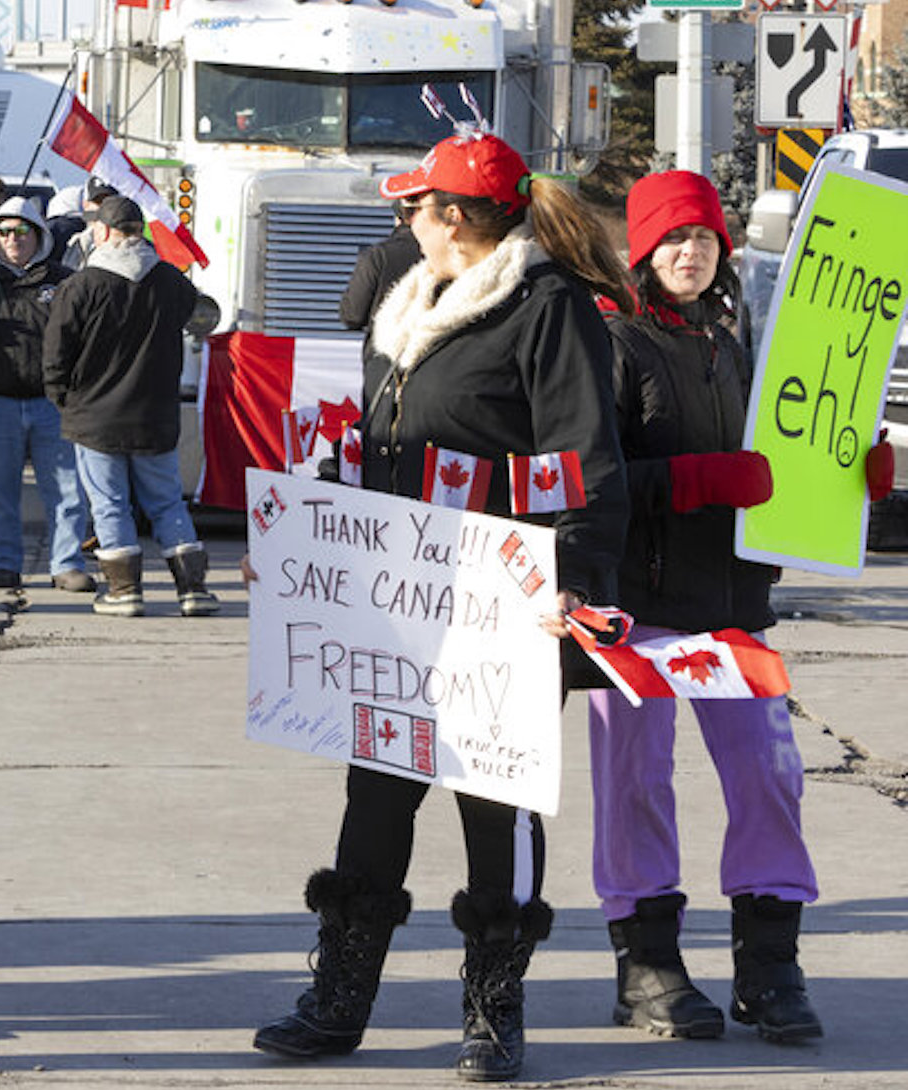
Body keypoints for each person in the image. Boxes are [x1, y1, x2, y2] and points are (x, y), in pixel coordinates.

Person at [252, 130, 632, 1082]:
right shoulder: (410, 307)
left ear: (454, 218)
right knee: (374, 795)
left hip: (501, 600)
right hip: (396, 600)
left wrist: (573, 581)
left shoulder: (547, 308)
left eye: (415, 206)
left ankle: (494, 1013)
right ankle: (339, 1002)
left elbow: (581, 455)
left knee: (493, 804)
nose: (405, 220)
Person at [589, 168, 863, 1046]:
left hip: (734, 609)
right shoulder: (611, 346)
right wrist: (695, 480)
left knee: (771, 775)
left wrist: (856, 484)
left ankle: (770, 966)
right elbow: (585, 485)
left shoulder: (740, 347)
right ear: (642, 250)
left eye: (704, 237)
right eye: (673, 238)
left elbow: (792, 466)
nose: (691, 252)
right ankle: (647, 966)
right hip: (633, 610)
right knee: (636, 781)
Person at [41, 195, 218, 618]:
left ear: (101, 233)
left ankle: (124, 591)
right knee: (167, 501)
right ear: (141, 233)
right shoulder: (172, 283)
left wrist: (63, 399)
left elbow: (56, 353)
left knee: (109, 503)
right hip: (155, 414)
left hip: (94, 416)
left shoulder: (81, 286)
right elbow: (193, 315)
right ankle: (191, 589)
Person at [0, 196, 90, 592]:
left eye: (22, 230)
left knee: (67, 491)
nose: (13, 239)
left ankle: (67, 564)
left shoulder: (62, 280)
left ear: (38, 233)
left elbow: (82, 335)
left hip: (51, 404)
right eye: (3, 231)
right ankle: (4, 562)